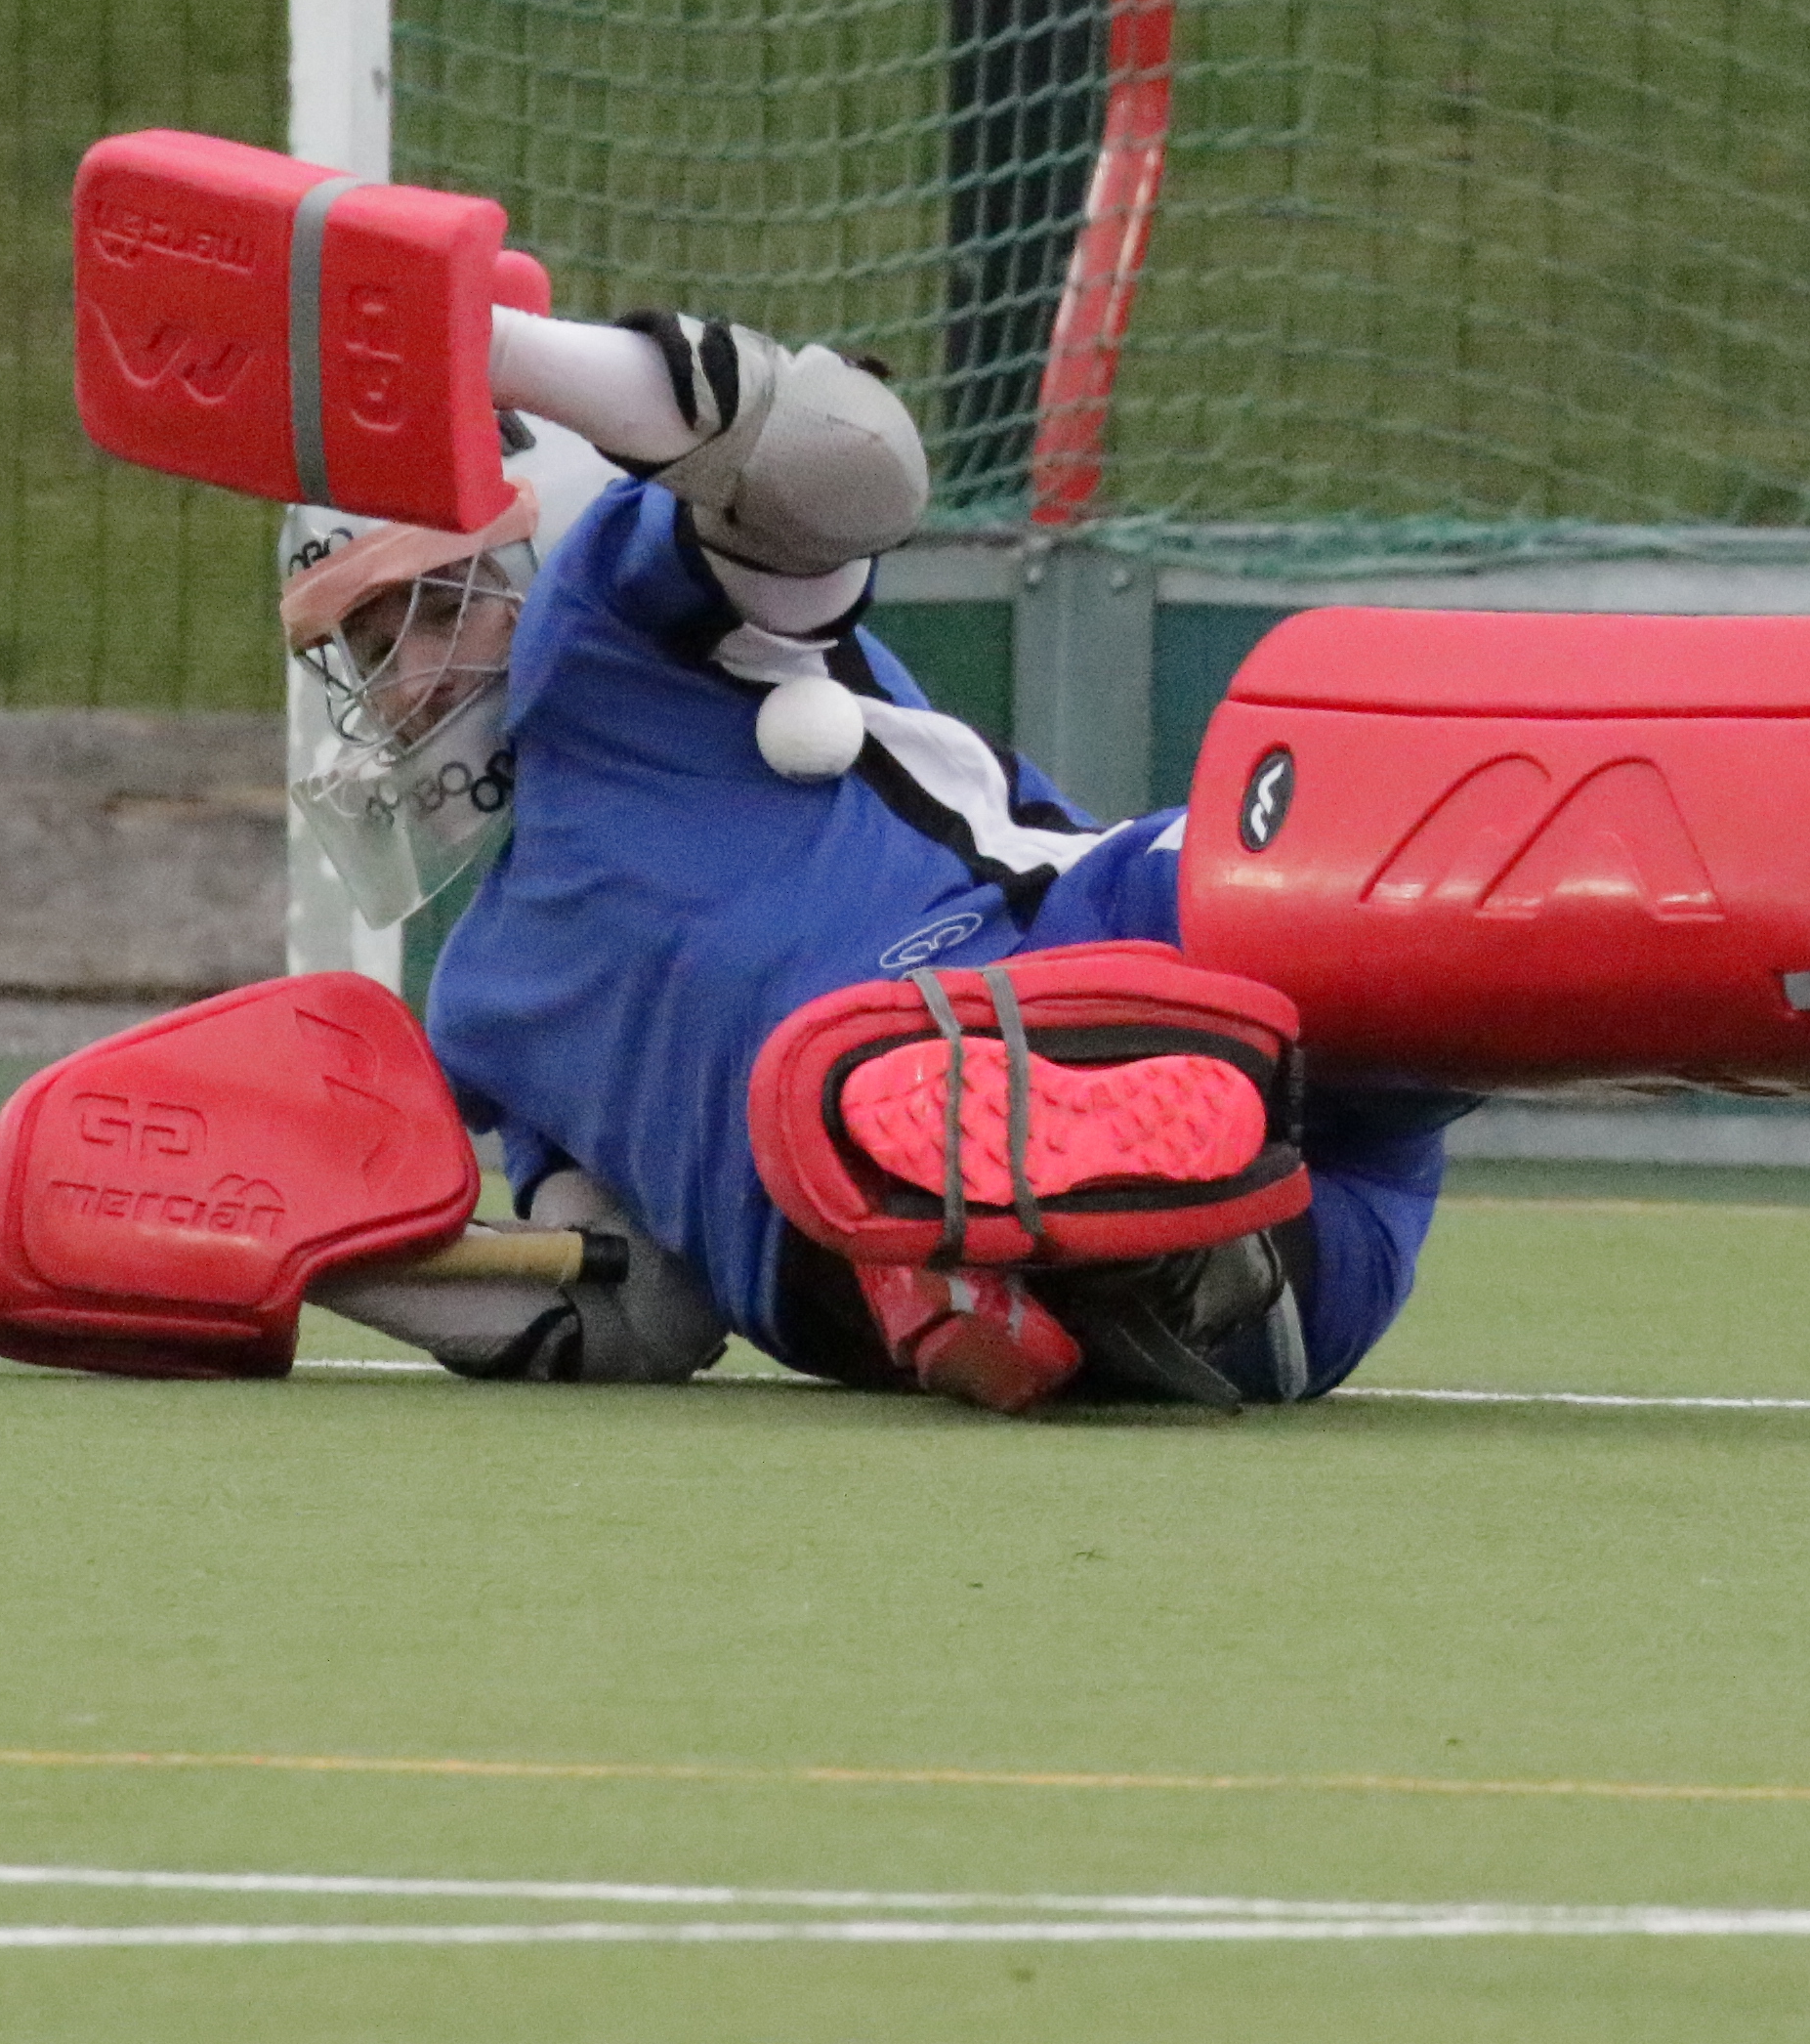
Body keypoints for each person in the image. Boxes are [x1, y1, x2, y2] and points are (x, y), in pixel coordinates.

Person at [285, 300, 1481, 1416]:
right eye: (370, 649)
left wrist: (471, 338)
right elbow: (642, 1314)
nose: (404, 689)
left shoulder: (636, 627)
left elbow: (848, 460)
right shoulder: (485, 1009)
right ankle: (1110, 1229)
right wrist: (311, 1253)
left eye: (443, 608)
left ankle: (1062, 1199)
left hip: (1123, 954)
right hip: (1251, 1302)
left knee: (1410, 894)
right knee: (844, 1140)